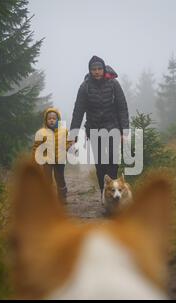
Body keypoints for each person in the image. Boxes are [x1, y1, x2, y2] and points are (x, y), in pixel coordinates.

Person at [70, 55, 130, 197]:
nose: (96, 71)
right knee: (100, 165)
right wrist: (73, 135)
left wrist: (124, 130)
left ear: (103, 69)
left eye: (99, 69)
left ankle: (114, 195)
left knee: (112, 163)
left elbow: (122, 107)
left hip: (113, 128)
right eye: (93, 69)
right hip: (94, 130)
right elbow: (78, 111)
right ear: (90, 71)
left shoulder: (113, 84)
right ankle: (104, 195)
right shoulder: (85, 87)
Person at [32, 107, 72, 203]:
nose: (51, 120)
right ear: (46, 120)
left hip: (60, 159)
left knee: (60, 178)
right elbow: (36, 146)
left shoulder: (64, 131)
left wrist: (67, 147)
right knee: (47, 179)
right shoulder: (41, 132)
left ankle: (62, 197)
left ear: (58, 119)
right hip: (47, 160)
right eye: (49, 118)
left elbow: (68, 142)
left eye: (54, 118)